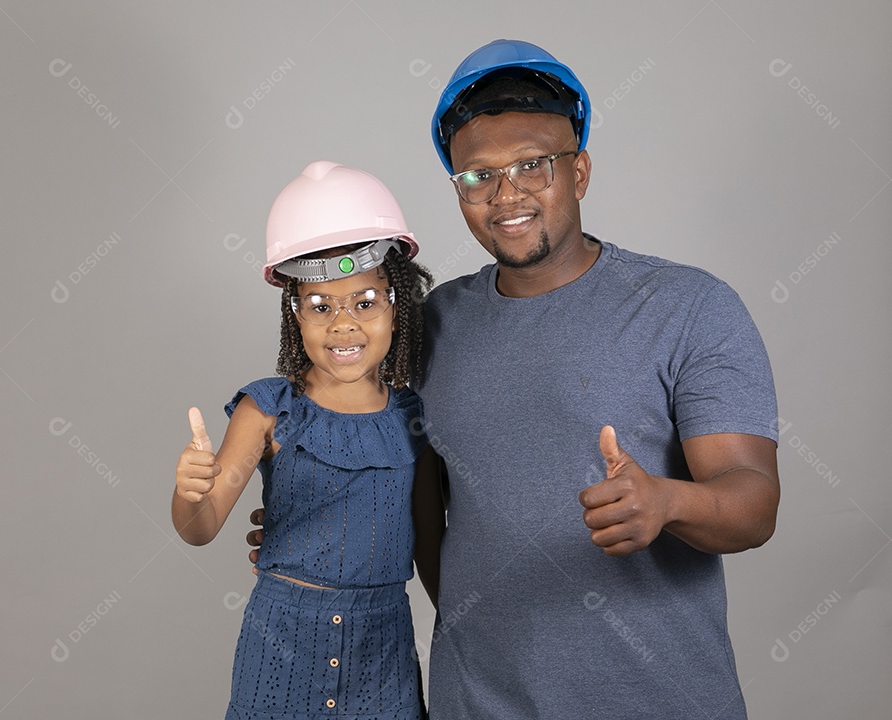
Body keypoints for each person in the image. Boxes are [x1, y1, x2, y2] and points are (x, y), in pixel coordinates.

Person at [410, 39, 781, 718]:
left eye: (532, 164)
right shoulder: (432, 323)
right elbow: (418, 508)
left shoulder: (687, 306)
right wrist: (308, 527)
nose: (507, 194)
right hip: (476, 704)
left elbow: (754, 504)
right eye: (479, 175)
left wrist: (668, 501)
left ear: (578, 171)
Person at [172, 160, 434, 720]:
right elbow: (202, 527)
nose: (343, 324)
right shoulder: (269, 409)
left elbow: (434, 537)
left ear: (397, 306)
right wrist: (190, 493)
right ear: (294, 314)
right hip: (282, 640)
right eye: (320, 306)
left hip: (383, 648)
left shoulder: (414, 417)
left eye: (365, 301)